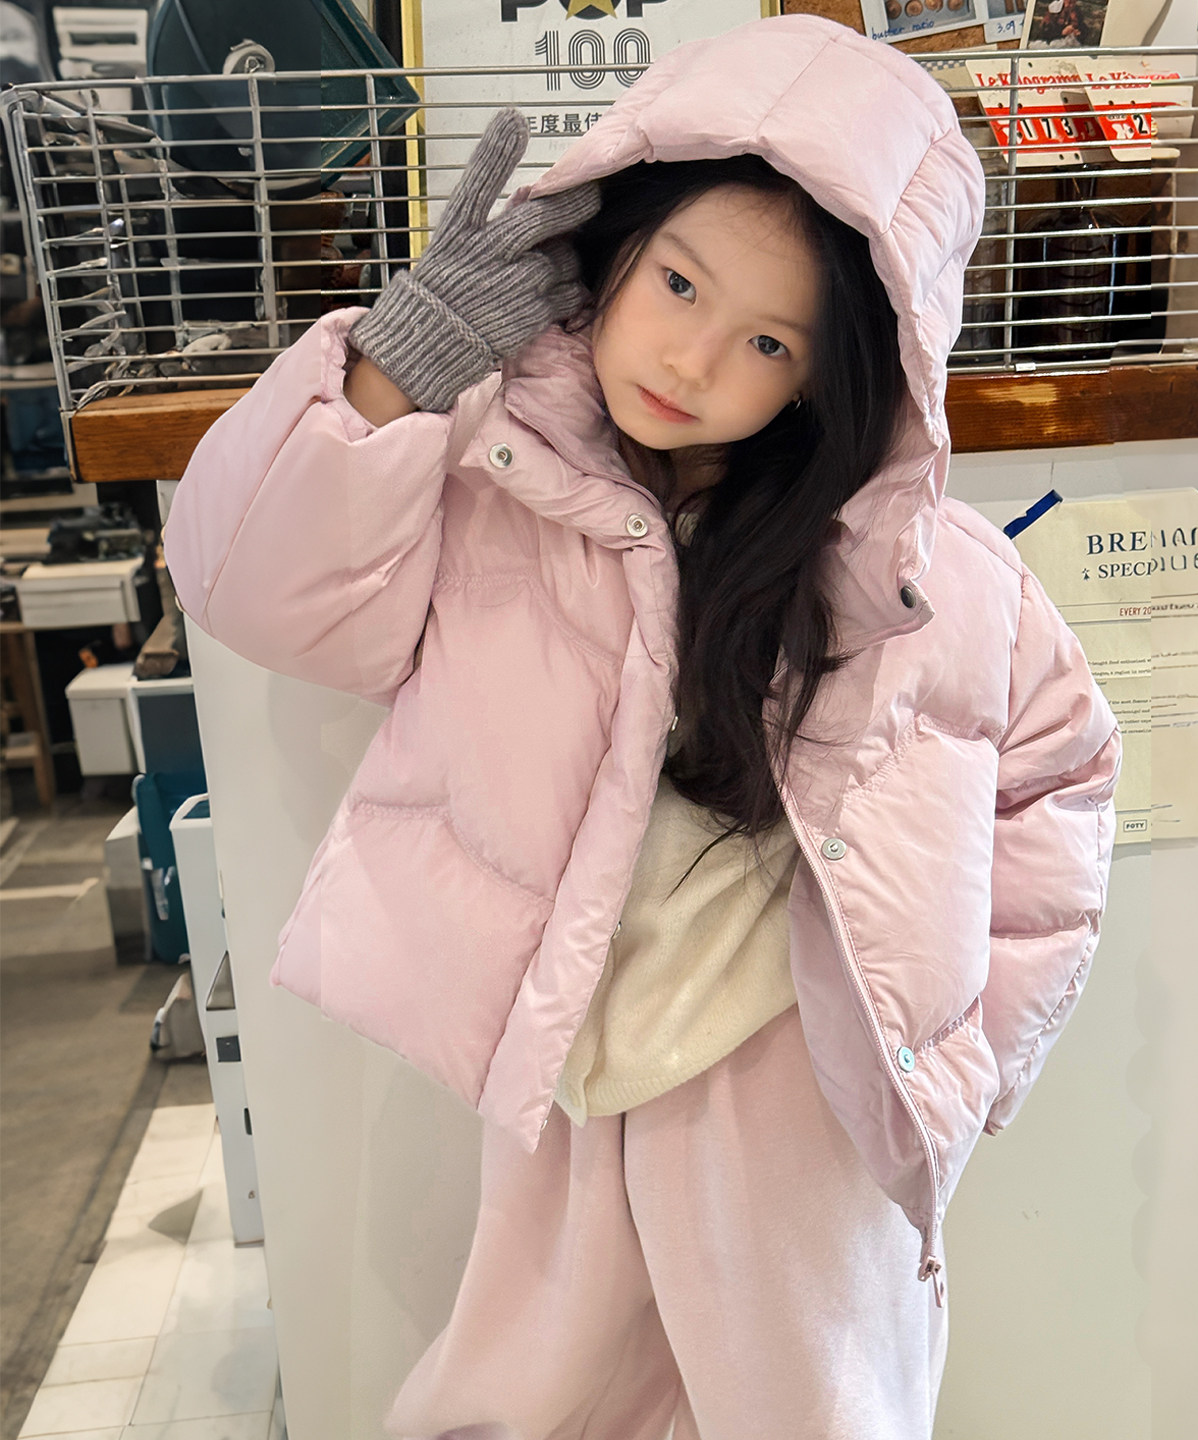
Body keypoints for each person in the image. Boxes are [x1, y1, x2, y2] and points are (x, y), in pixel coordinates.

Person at [164, 15, 1120, 1438]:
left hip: (795, 1083)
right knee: (527, 1402)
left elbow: (1063, 775)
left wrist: (961, 1057)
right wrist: (386, 380)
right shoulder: (490, 480)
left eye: (768, 341)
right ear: (611, 243)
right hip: (568, 1071)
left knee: (811, 1407)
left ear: (828, 376)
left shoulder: (919, 572)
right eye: (678, 282)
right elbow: (250, 590)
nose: (693, 358)